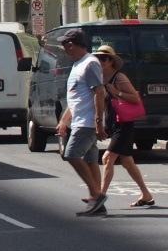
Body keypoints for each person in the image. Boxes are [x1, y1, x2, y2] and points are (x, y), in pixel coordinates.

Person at [54, 29, 108, 217]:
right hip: (80, 120)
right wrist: (63, 121)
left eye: (64, 45)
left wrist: (98, 122)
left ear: (71, 44)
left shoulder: (90, 63)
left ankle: (96, 195)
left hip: (87, 122)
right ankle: (97, 202)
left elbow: (99, 92)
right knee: (91, 160)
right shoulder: (78, 64)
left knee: (71, 155)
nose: (64, 49)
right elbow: (76, 97)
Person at [95, 45, 155, 208]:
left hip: (124, 124)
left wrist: (116, 91)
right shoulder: (100, 78)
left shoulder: (119, 77)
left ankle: (100, 196)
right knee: (127, 162)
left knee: (107, 158)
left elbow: (135, 99)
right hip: (114, 124)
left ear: (110, 61)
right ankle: (146, 194)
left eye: (103, 58)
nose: (99, 61)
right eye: (98, 58)